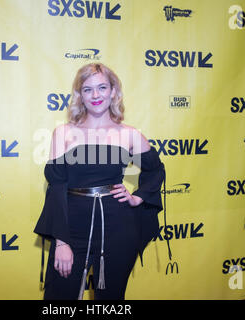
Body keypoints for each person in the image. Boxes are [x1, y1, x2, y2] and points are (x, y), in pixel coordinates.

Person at [34, 63, 165, 300]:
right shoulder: (63, 133)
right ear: (79, 95)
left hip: (118, 227)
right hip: (71, 227)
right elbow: (56, 187)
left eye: (102, 87)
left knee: (111, 299)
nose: (96, 95)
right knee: (59, 299)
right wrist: (61, 242)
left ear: (114, 91)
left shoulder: (129, 134)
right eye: (87, 89)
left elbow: (155, 170)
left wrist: (138, 198)